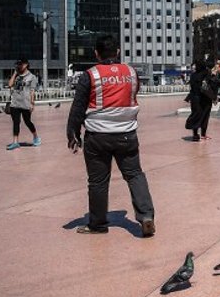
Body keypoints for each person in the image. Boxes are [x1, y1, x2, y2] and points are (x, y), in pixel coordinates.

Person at [66, 35, 155, 237]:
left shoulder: (90, 75)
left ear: (96, 53)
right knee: (134, 175)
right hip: (127, 135)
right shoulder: (131, 73)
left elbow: (78, 107)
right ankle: (146, 216)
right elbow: (133, 95)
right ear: (117, 52)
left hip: (98, 137)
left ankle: (98, 224)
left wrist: (73, 134)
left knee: (98, 181)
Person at [7, 58, 40, 150]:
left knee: (27, 122)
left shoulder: (32, 77)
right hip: (15, 103)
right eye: (17, 64)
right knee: (16, 122)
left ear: (26, 65)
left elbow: (32, 91)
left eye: (20, 64)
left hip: (25, 103)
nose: (18, 66)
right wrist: (14, 73)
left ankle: (36, 136)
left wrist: (32, 104)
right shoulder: (17, 75)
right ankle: (15, 142)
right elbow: (10, 85)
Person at [185, 59, 216, 141]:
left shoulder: (193, 75)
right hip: (205, 99)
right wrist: (214, 97)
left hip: (195, 99)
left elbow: (192, 88)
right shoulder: (206, 73)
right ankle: (203, 134)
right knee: (205, 116)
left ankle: (195, 135)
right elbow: (212, 85)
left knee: (196, 116)